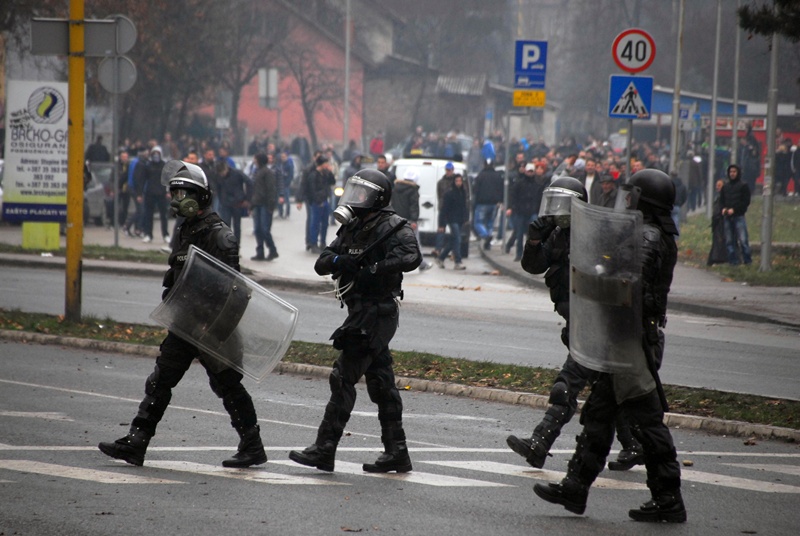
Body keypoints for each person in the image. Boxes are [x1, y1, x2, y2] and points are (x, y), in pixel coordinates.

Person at [533, 169, 686, 523]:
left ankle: (669, 498)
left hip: (629, 343)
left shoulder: (647, 236)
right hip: (619, 339)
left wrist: (596, 274)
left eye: (632, 195)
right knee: (599, 417)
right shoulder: (650, 233)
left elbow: (627, 282)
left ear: (643, 200)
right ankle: (575, 487)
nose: (625, 200)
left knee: (647, 424)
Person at [98, 160, 268, 469]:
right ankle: (137, 442)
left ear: (201, 196)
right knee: (160, 380)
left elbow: (233, 289)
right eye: (174, 193)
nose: (177, 199)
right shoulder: (186, 229)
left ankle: (253, 445)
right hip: (184, 323)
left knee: (228, 386)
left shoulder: (220, 235)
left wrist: (213, 325)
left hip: (210, 328)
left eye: (183, 193)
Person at [507, 176, 644, 472]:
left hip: (597, 324)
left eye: (563, 204)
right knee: (608, 390)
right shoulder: (556, 234)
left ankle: (539, 443)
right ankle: (636, 444)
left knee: (566, 387)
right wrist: (533, 240)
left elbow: (611, 273)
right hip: (577, 322)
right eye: (553, 204)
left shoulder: (595, 234)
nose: (557, 211)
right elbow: (534, 265)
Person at [289, 169, 422, 473]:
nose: (355, 198)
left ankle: (325, 448)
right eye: (354, 191)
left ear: (377, 197)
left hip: (378, 311)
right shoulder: (352, 226)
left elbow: (412, 256)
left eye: (362, 193)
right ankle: (397, 452)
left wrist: (375, 268)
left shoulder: (392, 225)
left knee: (342, 375)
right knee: (381, 382)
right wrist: (341, 261)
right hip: (358, 310)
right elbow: (322, 262)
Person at [506, 163, 546, 262]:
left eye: (532, 171)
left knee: (533, 235)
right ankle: (519, 254)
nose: (530, 173)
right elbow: (513, 196)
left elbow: (540, 199)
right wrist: (512, 207)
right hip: (520, 212)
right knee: (519, 234)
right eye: (529, 171)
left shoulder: (537, 185)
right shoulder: (519, 183)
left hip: (532, 212)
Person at [434, 173, 469, 270]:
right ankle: (458, 261)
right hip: (452, 219)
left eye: (460, 181)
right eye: (457, 181)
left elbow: (464, 207)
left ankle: (441, 258)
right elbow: (444, 209)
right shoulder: (449, 194)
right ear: (453, 182)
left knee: (454, 240)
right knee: (457, 238)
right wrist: (442, 224)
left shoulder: (463, 193)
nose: (459, 183)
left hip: (460, 220)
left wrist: (466, 218)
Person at [719, 164, 752, 265]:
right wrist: (723, 209)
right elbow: (722, 200)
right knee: (729, 241)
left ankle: (747, 261)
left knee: (743, 240)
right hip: (727, 217)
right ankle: (733, 262)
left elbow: (746, 202)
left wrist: (735, 210)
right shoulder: (726, 186)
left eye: (734, 172)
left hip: (738, 216)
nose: (732, 174)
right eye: (730, 172)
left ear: (738, 173)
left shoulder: (743, 186)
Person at [136, 146, 170, 244]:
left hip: (162, 194)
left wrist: (168, 192)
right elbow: (142, 180)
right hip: (150, 193)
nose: (156, 155)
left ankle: (165, 235)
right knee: (148, 215)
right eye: (154, 153)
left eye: (157, 153)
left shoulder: (164, 165)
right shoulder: (147, 165)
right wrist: (139, 194)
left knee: (163, 216)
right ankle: (148, 235)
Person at [250, 152, 279, 261]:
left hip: (265, 205)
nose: (254, 161)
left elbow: (271, 190)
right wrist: (252, 204)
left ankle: (272, 250)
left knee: (265, 229)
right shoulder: (257, 172)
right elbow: (255, 190)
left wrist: (271, 205)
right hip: (257, 204)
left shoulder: (267, 173)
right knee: (257, 229)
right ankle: (260, 252)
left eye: (255, 159)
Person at [215, 160, 250, 243]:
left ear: (226, 169)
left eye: (223, 172)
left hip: (237, 203)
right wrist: (221, 199)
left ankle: (236, 246)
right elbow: (218, 188)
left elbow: (249, 182)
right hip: (225, 203)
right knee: (225, 226)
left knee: (237, 226)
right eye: (220, 174)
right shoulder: (218, 176)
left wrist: (247, 198)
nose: (222, 175)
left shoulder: (237, 173)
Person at [472, 159, 504, 250]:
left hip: (482, 203)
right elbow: (502, 189)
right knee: (490, 223)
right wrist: (500, 200)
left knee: (478, 223)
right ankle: (488, 241)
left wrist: (474, 203)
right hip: (494, 203)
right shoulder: (498, 176)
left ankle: (486, 236)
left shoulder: (480, 176)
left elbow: (475, 190)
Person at [707, 179, 728, 266]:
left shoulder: (723, 198)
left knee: (719, 241)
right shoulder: (719, 197)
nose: (717, 187)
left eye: (719, 185)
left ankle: (717, 259)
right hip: (718, 223)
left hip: (721, 223)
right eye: (717, 185)